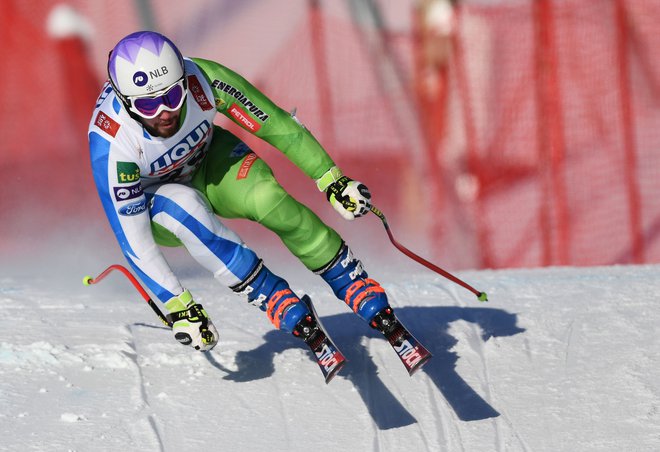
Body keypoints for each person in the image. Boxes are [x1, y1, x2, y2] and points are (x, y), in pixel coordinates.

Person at [88, 31, 393, 352]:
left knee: (269, 199)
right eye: (148, 105)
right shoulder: (112, 146)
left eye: (173, 96)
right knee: (183, 204)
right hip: (157, 203)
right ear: (124, 101)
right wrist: (179, 305)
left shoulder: (203, 80)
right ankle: (271, 295)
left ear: (183, 80)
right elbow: (134, 240)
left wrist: (331, 180)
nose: (165, 112)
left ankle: (349, 280)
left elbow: (276, 125)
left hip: (207, 162)